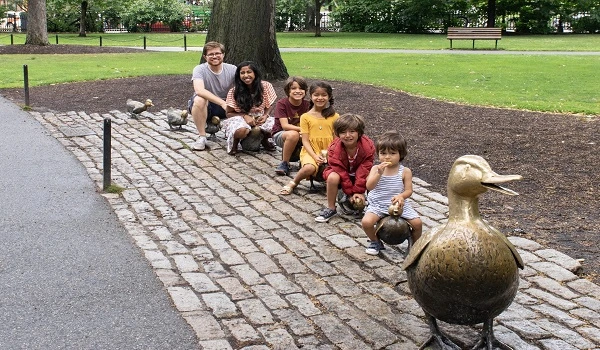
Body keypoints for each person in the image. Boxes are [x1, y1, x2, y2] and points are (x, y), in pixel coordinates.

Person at [361, 131, 423, 255]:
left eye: (392, 153)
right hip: (378, 204)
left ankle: (414, 245)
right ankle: (375, 241)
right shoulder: (375, 169)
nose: (387, 157)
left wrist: (401, 196)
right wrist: (379, 173)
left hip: (398, 205)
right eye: (383, 153)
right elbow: (369, 186)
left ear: (401, 154)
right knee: (366, 222)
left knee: (417, 223)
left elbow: (408, 190)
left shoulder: (405, 171)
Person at [280, 82, 339, 195]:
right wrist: (315, 156)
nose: (320, 98)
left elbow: (336, 139)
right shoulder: (305, 117)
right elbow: (305, 140)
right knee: (309, 168)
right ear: (311, 96)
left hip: (330, 150)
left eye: (324, 95)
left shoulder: (335, 116)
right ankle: (293, 182)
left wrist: (331, 154)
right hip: (310, 150)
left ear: (329, 97)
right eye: (316, 95)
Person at [314, 114, 375, 222]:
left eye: (352, 131)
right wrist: (350, 193)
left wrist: (358, 191)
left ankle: (373, 207)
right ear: (338, 134)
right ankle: (331, 208)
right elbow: (340, 171)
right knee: (333, 177)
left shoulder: (367, 147)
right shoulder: (334, 149)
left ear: (359, 132)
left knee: (374, 175)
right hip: (342, 174)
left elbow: (364, 169)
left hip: (359, 173)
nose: (347, 135)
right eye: (343, 132)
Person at [222, 61, 278, 155]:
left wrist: (265, 115)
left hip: (259, 116)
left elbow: (270, 104)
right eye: (242, 73)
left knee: (276, 126)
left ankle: (264, 140)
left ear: (255, 73)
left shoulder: (266, 86)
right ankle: (234, 143)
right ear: (238, 75)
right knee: (241, 130)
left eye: (249, 72)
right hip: (240, 117)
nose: (246, 75)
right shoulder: (234, 91)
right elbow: (228, 113)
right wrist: (245, 116)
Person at [189, 41, 236, 151]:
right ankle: (202, 137)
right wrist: (222, 103)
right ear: (205, 57)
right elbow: (199, 90)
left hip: (227, 104)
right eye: (211, 54)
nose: (215, 56)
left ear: (223, 55)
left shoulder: (233, 69)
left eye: (217, 53)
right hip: (209, 105)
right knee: (199, 99)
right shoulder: (199, 69)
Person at [272, 76, 310, 176]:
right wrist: (303, 130)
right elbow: (285, 126)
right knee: (293, 135)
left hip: (301, 134)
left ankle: (306, 161)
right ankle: (285, 163)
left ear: (305, 90)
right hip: (282, 134)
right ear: (288, 90)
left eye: (301, 88)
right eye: (293, 88)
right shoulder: (282, 104)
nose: (298, 91)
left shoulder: (308, 105)